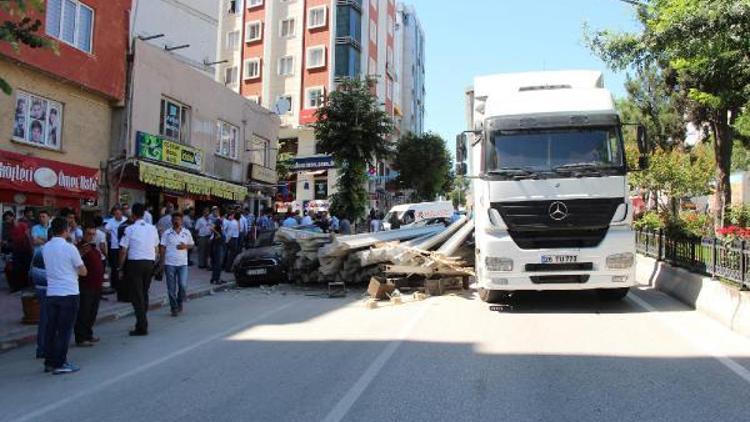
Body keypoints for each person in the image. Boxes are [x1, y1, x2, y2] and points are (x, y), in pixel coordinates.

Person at [42, 218, 86, 375]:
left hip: (52, 293)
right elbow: (83, 271)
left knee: (51, 329)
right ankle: (60, 362)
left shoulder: (46, 247)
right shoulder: (70, 248)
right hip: (68, 292)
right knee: (65, 330)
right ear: (66, 230)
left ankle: (49, 361)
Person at [118, 203, 160, 336]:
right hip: (149, 262)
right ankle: (141, 322)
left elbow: (123, 251)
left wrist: (120, 267)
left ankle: (142, 326)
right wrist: (154, 261)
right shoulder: (152, 228)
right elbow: (156, 248)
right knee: (144, 292)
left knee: (137, 295)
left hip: (135, 263)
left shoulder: (130, 229)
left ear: (133, 215)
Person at [74, 225, 104, 347]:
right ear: (84, 234)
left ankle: (88, 334)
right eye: (89, 233)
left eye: (93, 234)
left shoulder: (93, 247)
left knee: (92, 312)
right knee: (84, 312)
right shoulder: (81, 247)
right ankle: (81, 337)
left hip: (96, 285)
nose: (91, 236)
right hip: (86, 285)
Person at [159, 212, 194, 316]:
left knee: (182, 285)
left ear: (182, 221)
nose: (176, 221)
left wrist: (186, 246)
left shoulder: (186, 232)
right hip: (169, 263)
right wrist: (161, 261)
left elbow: (192, 245)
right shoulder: (167, 233)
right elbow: (162, 247)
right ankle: (174, 308)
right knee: (171, 288)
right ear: (171, 221)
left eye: (178, 219)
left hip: (183, 264)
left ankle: (179, 303)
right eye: (174, 219)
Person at [4, 211, 32, 292]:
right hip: (16, 251)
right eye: (6, 219)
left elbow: (28, 236)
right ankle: (17, 287)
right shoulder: (10, 228)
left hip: (26, 250)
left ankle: (25, 286)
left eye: (8, 218)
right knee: (16, 269)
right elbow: (13, 240)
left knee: (25, 269)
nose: (7, 221)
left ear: (13, 217)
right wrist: (7, 243)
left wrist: (31, 249)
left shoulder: (23, 225)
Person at [105, 206, 127, 301]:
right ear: (114, 215)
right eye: (116, 214)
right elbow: (106, 231)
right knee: (114, 267)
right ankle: (114, 285)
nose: (118, 215)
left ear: (122, 213)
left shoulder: (125, 221)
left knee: (123, 265)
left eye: (119, 213)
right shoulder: (111, 222)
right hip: (114, 247)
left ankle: (123, 284)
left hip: (124, 246)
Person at [30, 248, 47, 359]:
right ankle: (44, 348)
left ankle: (42, 348)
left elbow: (31, 271)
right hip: (50, 288)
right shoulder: (49, 252)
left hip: (40, 288)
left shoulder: (39, 251)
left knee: (44, 319)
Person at [209, 209, 226, 284]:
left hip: (219, 243)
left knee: (217, 262)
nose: (214, 213)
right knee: (218, 262)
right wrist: (218, 234)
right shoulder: (218, 220)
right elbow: (211, 228)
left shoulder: (219, 221)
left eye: (216, 212)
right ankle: (217, 279)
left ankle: (214, 278)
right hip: (218, 244)